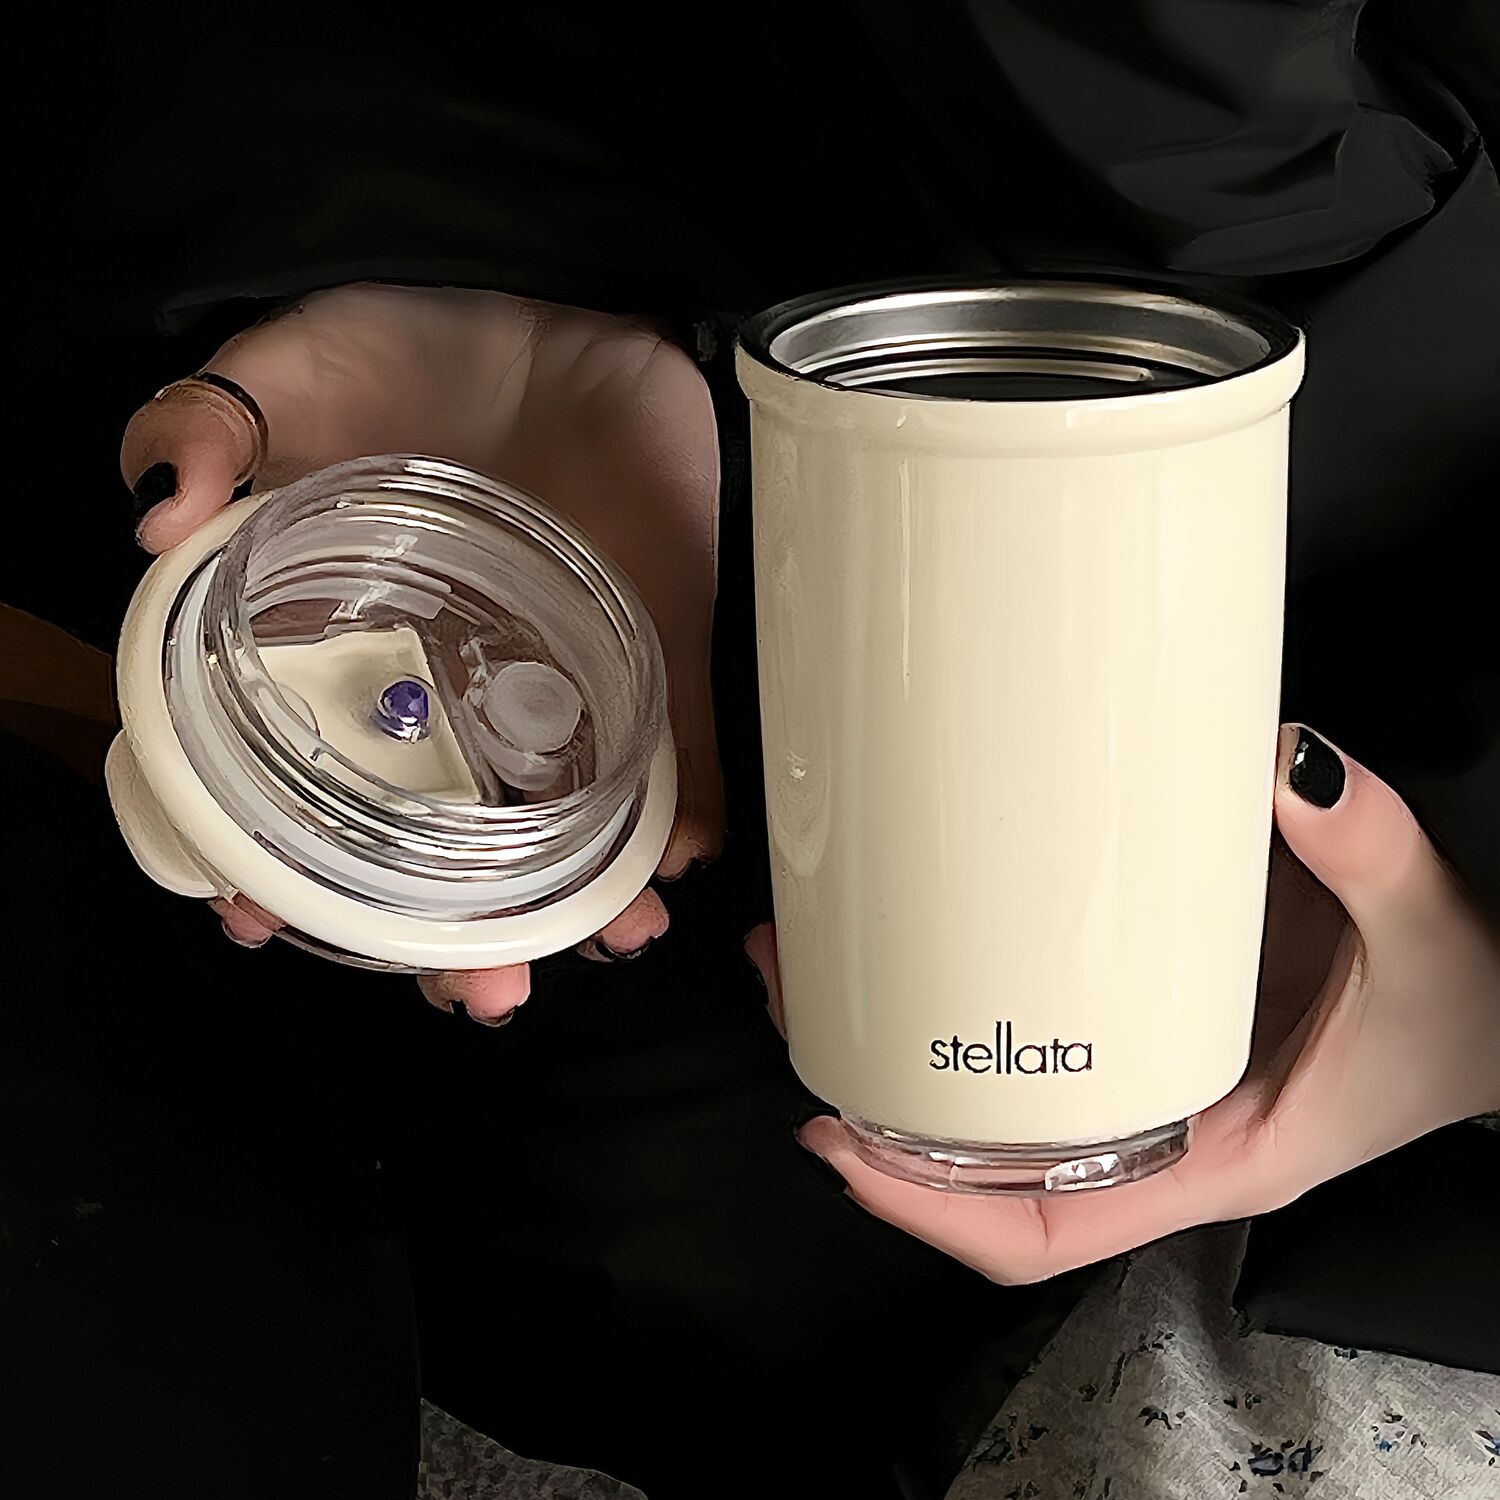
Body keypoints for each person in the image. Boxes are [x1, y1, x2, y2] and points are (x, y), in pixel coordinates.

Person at [13, 2, 1497, 1496]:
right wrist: (521, 290)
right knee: (649, 1249)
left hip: (1363, 498)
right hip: (682, 301)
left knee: (702, 1260)